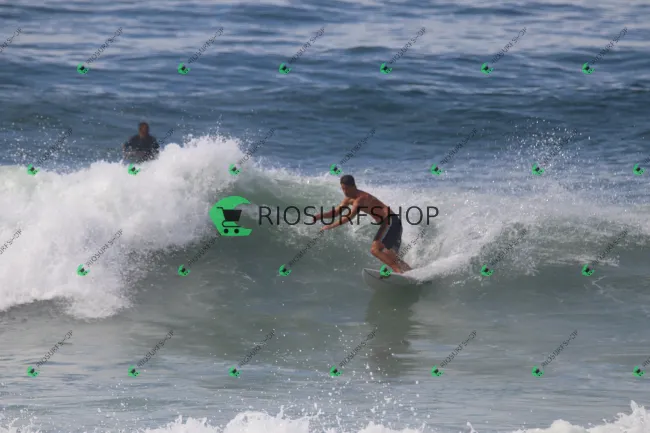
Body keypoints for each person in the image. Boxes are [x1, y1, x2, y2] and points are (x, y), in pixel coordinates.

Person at [314, 175, 413, 274]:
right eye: (343, 189)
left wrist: (330, 226)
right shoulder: (348, 199)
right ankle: (411, 273)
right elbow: (335, 213)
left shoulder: (360, 199)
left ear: (353, 186)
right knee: (390, 255)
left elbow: (349, 217)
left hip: (391, 222)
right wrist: (320, 216)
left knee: (375, 250)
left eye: (346, 188)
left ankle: (398, 271)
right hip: (391, 223)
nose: (345, 191)